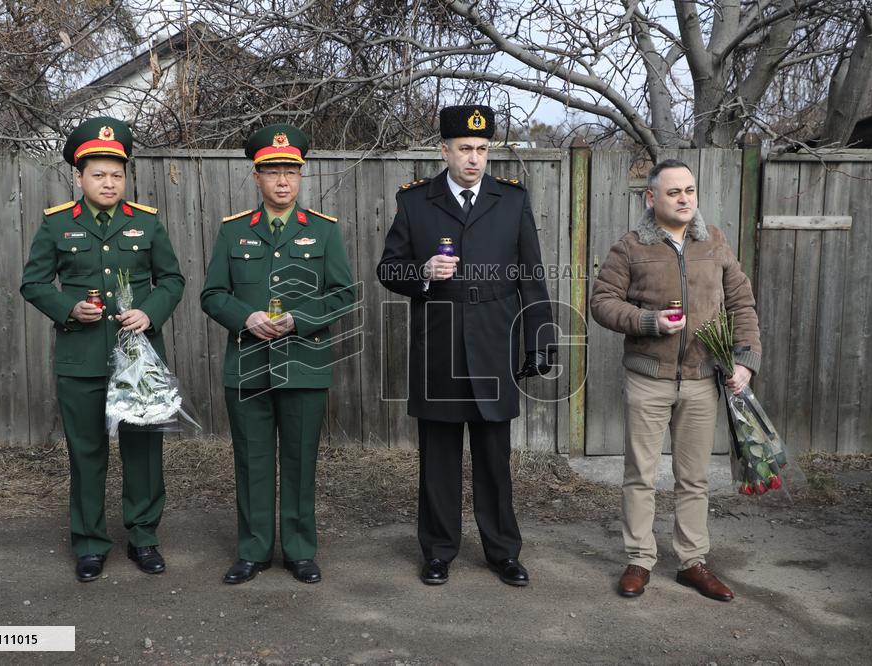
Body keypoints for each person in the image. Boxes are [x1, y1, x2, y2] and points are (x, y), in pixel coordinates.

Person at [377, 105, 556, 587]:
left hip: (495, 341)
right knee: (438, 458)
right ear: (444, 150)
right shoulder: (416, 202)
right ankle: (438, 550)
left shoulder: (511, 200)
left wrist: (540, 338)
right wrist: (422, 273)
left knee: (494, 457)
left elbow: (531, 275)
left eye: (481, 149)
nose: (473, 159)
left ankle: (502, 551)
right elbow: (388, 269)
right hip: (438, 345)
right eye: (464, 149)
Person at [20, 117, 185, 582]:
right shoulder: (57, 225)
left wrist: (151, 312)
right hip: (81, 357)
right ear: (79, 176)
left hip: (139, 359)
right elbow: (32, 283)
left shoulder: (146, 223)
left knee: (144, 453)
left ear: (125, 176)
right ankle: (90, 543)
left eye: (116, 174)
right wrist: (69, 308)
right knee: (86, 452)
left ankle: (144, 539)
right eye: (98, 174)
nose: (109, 182)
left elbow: (172, 279)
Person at [590, 158, 761, 601]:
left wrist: (744, 361)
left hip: (704, 380)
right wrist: (648, 321)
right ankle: (639, 560)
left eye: (689, 190)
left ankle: (692, 562)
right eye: (673, 192)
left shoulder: (715, 242)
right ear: (651, 198)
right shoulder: (630, 247)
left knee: (694, 478)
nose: (684, 199)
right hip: (649, 378)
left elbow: (742, 304)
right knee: (641, 475)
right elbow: (602, 302)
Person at [201, 124, 355, 585]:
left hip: (304, 364)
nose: (283, 181)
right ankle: (253, 550)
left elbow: (343, 294)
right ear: (257, 177)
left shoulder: (323, 232)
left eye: (291, 171)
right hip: (247, 365)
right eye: (273, 172)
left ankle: (300, 550)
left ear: (301, 176)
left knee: (300, 460)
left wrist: (298, 321)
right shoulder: (233, 232)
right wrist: (245, 318)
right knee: (251, 459)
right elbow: (212, 294)